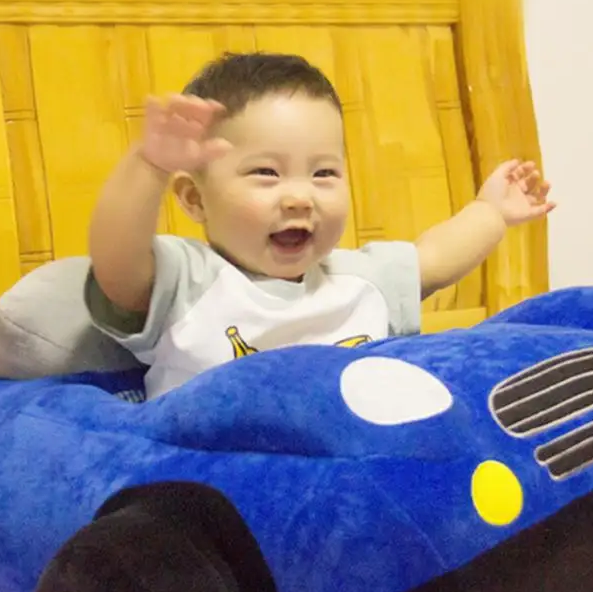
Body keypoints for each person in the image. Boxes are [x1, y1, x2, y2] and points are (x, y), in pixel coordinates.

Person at [87, 52, 553, 399]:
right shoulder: (186, 280)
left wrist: (492, 211)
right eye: (266, 173)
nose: (299, 196)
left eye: (324, 173)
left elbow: (434, 259)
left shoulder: (358, 280)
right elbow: (116, 261)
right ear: (194, 199)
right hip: (218, 473)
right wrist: (149, 168)